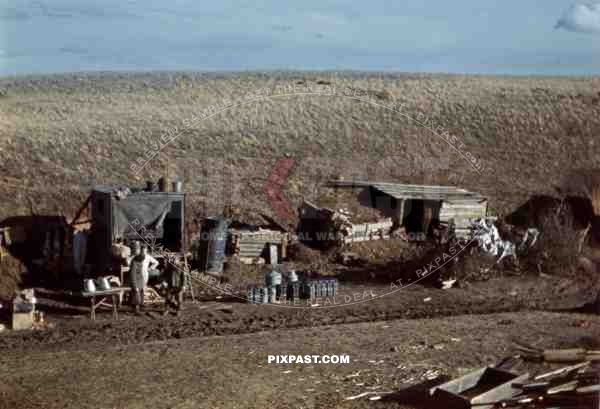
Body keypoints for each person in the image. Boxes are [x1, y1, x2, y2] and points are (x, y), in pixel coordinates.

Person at [128, 244, 159, 313]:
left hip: (144, 274)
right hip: (137, 275)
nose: (143, 252)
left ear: (146, 251)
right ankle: (135, 305)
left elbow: (156, 262)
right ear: (141, 250)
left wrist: (150, 268)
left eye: (145, 251)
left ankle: (141, 303)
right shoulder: (136, 258)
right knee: (136, 290)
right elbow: (129, 263)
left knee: (142, 289)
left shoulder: (147, 257)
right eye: (142, 250)